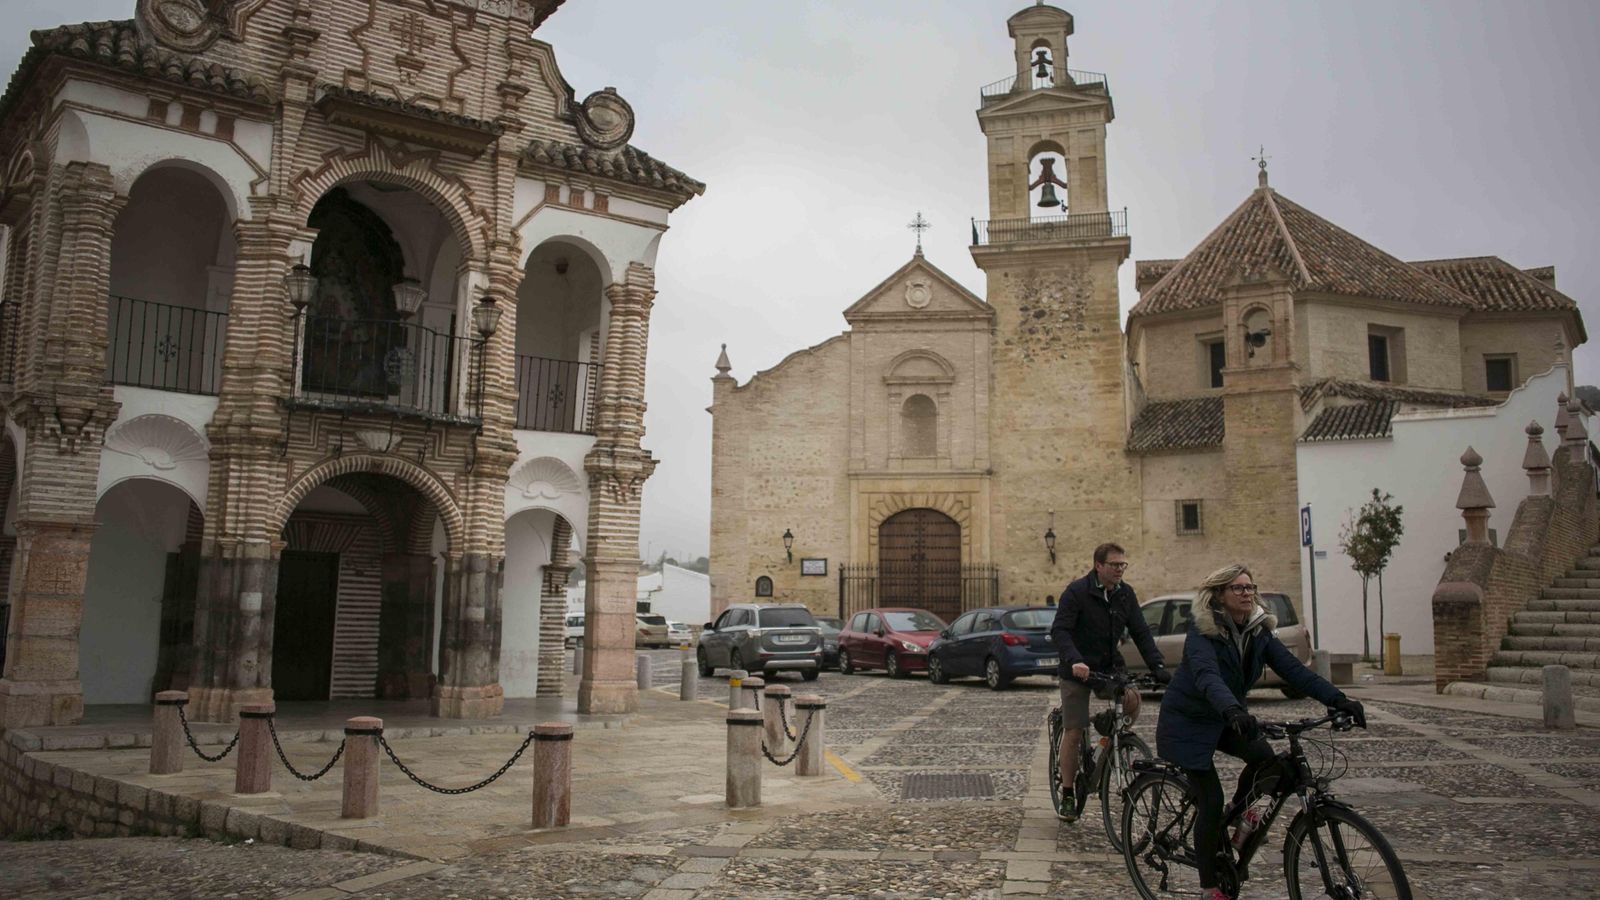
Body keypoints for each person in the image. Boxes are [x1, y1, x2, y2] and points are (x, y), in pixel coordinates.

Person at [1156, 564, 1365, 900]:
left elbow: (1295, 671)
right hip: (1188, 723)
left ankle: (1238, 821)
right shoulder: (1202, 629)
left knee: (1267, 761)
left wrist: (1339, 699)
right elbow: (1207, 675)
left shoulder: (1258, 631)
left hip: (1227, 716)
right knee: (1210, 798)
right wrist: (1233, 709)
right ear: (1220, 595)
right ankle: (1209, 886)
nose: (1246, 593)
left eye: (1250, 587)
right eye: (1237, 588)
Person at [1050, 542, 1170, 821]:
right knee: (1074, 730)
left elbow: (1141, 632)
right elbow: (1060, 630)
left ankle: (1105, 731)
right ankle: (1068, 793)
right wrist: (1074, 660)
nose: (1119, 570)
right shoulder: (1077, 592)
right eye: (1114, 565)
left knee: (1132, 700)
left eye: (1122, 565)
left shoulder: (1125, 595)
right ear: (1099, 566)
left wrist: (1158, 665)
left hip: (1107, 666)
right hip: (1077, 669)